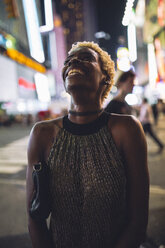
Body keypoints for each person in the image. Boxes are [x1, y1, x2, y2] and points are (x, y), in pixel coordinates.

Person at [26, 41, 149, 248]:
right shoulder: (42, 134)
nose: (74, 61)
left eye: (86, 58)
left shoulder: (127, 130)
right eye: (69, 60)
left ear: (105, 78)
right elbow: (34, 218)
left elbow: (137, 222)